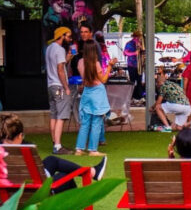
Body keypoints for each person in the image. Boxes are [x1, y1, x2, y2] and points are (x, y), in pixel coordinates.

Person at [1, 113, 107, 195]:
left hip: (7, 195)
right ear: (20, 135)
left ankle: (92, 172)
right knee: (65, 175)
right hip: (33, 194)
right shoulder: (25, 151)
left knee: (51, 160)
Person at [75, 40, 117, 156]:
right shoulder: (96, 63)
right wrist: (109, 66)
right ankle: (93, 150)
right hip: (97, 93)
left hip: (86, 93)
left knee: (85, 123)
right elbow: (103, 80)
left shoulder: (80, 62)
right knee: (96, 123)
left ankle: (79, 149)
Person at [45, 27, 74, 155]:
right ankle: (57, 146)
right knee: (61, 116)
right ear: (62, 35)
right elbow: (60, 69)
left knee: (54, 115)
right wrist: (66, 87)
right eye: (68, 36)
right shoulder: (60, 49)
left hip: (51, 85)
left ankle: (55, 142)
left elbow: (59, 65)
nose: (70, 38)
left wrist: (68, 58)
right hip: (59, 86)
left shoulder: (49, 48)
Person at [123, 31, 145, 100]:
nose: (139, 38)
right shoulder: (129, 43)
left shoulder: (142, 44)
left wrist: (141, 47)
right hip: (132, 65)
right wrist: (134, 53)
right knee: (132, 81)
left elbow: (145, 52)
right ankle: (131, 96)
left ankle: (139, 96)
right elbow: (125, 53)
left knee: (139, 81)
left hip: (139, 65)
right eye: (138, 37)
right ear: (135, 37)